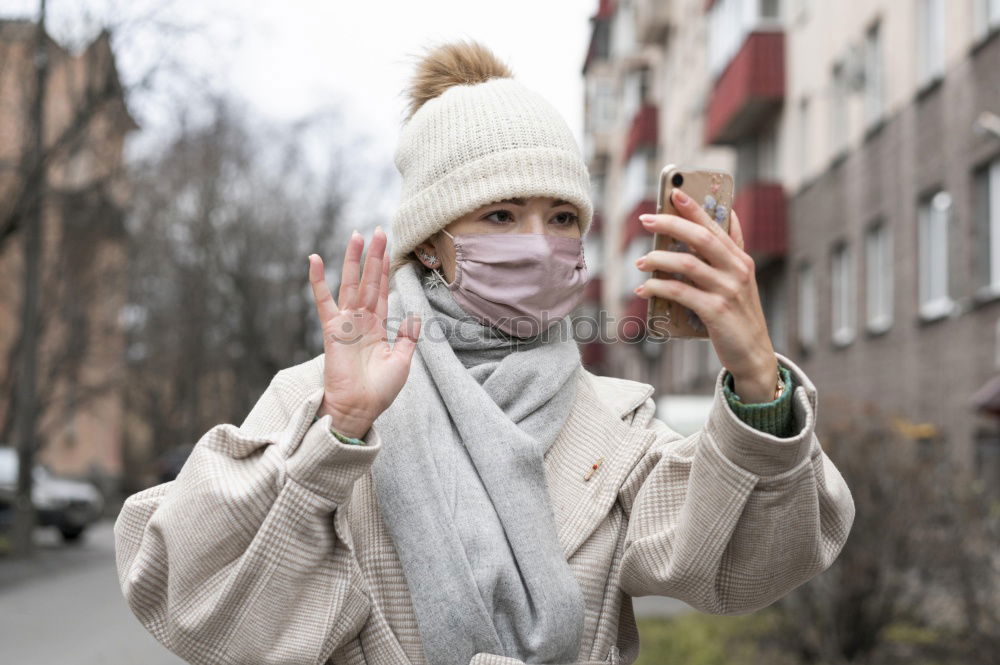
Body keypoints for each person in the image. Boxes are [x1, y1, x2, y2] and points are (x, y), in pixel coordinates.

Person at [114, 39, 855, 665]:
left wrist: (758, 374)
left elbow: (746, 563)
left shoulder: (613, 420)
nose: (537, 242)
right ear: (431, 242)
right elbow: (198, 603)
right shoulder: (315, 398)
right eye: (500, 214)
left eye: (561, 215)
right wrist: (335, 437)